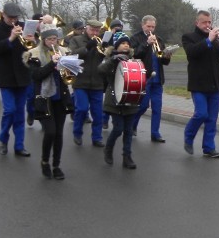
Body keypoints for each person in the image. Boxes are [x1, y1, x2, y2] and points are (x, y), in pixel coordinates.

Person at [181, 10, 219, 158]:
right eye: (204, 22)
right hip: (198, 85)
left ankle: (209, 148)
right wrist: (208, 41)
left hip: (215, 84)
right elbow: (192, 53)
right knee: (201, 114)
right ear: (197, 23)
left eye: (209, 22)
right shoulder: (189, 37)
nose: (208, 25)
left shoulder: (216, 38)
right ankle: (189, 137)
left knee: (212, 119)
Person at [0, 2, 34, 157]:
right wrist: (12, 37)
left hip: (23, 75)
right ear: (2, 14)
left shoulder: (25, 26)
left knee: (20, 113)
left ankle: (19, 146)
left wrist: (32, 41)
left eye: (16, 17)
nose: (14, 20)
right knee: (9, 110)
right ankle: (3, 139)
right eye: (10, 17)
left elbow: (32, 50)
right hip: (6, 76)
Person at [25, 28, 73, 179]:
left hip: (60, 97)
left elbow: (71, 74)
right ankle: (45, 161)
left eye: (55, 39)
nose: (53, 42)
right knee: (50, 132)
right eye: (50, 39)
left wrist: (68, 67)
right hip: (44, 98)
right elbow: (36, 76)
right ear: (43, 40)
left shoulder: (65, 52)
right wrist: (52, 64)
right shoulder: (34, 54)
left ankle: (56, 165)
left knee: (58, 134)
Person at [99, 33, 139, 169]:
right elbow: (101, 70)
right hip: (114, 99)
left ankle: (127, 157)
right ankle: (108, 149)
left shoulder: (133, 59)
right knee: (118, 129)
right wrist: (113, 59)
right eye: (123, 43)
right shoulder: (109, 58)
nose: (126, 45)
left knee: (128, 130)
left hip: (130, 99)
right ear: (116, 45)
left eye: (127, 43)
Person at [130, 14, 172, 142]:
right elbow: (135, 55)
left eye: (153, 27)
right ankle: (132, 125)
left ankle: (155, 133)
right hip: (143, 77)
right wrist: (146, 43)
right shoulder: (135, 38)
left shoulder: (158, 39)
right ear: (143, 25)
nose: (151, 29)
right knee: (142, 106)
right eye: (148, 26)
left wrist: (167, 56)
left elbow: (164, 62)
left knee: (157, 108)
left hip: (157, 78)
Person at [68, 19, 106, 147]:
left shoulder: (101, 42)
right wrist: (88, 46)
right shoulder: (76, 40)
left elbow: (107, 59)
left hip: (97, 82)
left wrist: (108, 50)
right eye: (92, 30)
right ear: (86, 29)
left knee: (98, 112)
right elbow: (72, 55)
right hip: (81, 82)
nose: (94, 33)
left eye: (97, 30)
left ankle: (97, 137)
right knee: (82, 109)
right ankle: (77, 133)